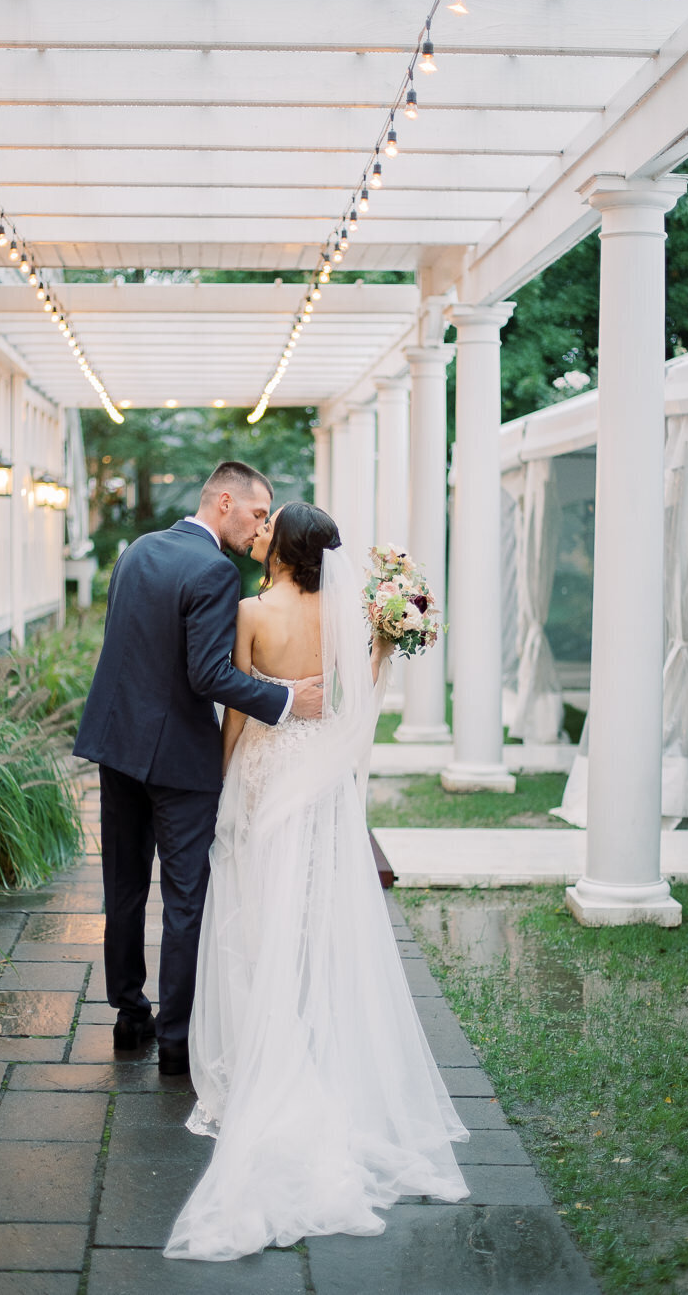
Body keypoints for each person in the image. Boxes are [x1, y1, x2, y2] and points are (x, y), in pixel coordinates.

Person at [164, 502, 469, 1262]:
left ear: (281, 551)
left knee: (257, 912)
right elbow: (355, 697)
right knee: (317, 915)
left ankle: (267, 1045)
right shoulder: (356, 617)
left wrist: (228, 780)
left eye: (269, 532)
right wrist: (387, 646)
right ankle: (314, 1032)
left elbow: (236, 710)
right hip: (324, 779)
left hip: (270, 771)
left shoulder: (251, 611)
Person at [73, 463, 324, 1077]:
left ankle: (130, 1015)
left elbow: (128, 646)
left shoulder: (137, 553)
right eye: (258, 514)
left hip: (116, 744)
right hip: (179, 760)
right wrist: (290, 701)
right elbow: (207, 675)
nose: (262, 527)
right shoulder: (214, 570)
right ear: (226, 501)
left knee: (125, 886)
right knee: (187, 898)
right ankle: (177, 1041)